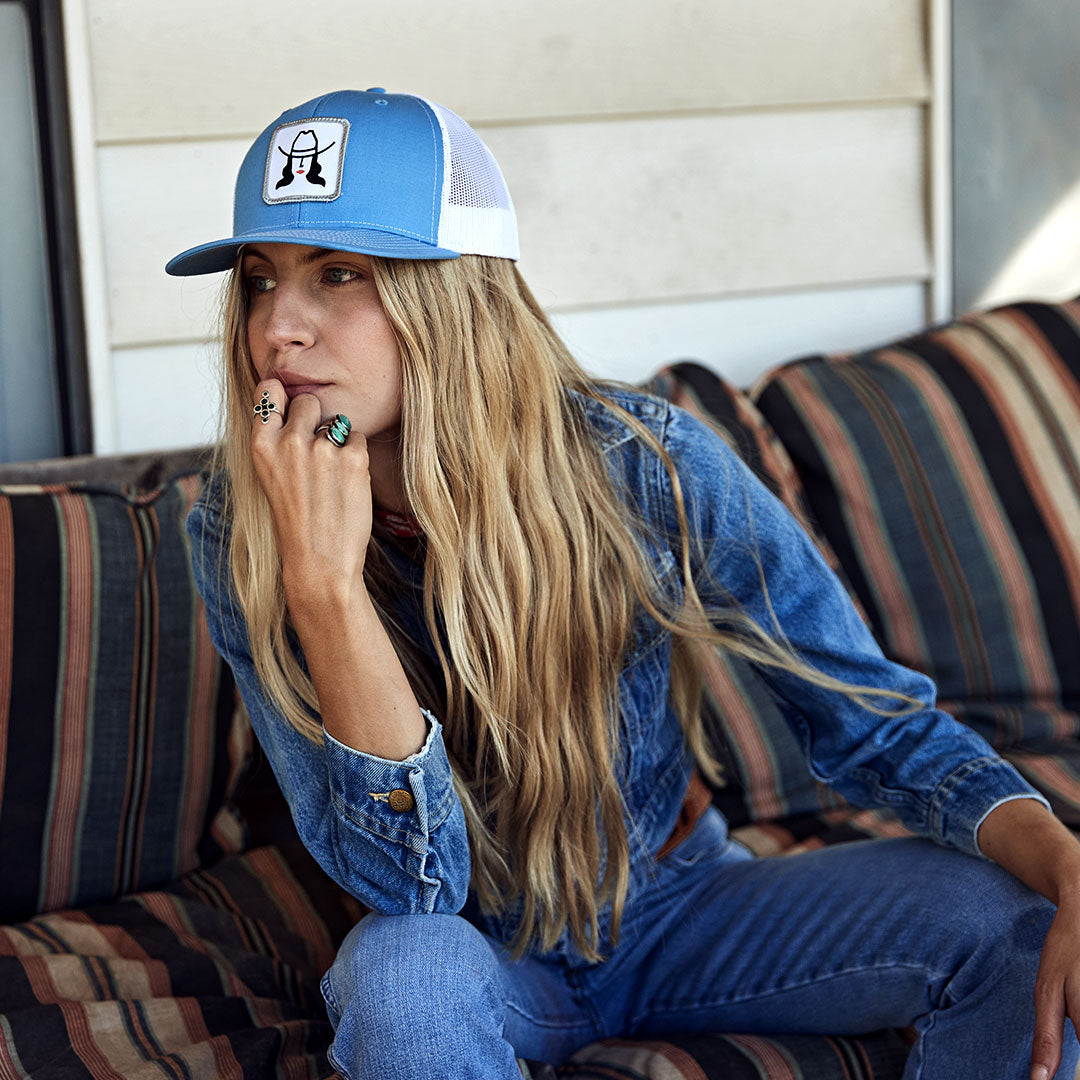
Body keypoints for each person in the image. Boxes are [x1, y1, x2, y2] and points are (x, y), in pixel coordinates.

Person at [167, 88, 1080, 1080]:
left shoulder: (645, 466)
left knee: (1019, 923)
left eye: (338, 273)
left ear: (452, 294)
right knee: (398, 982)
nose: (279, 327)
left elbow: (878, 727)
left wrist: (1066, 862)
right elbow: (410, 889)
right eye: (260, 280)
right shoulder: (236, 534)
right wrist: (326, 590)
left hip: (686, 910)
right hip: (479, 960)